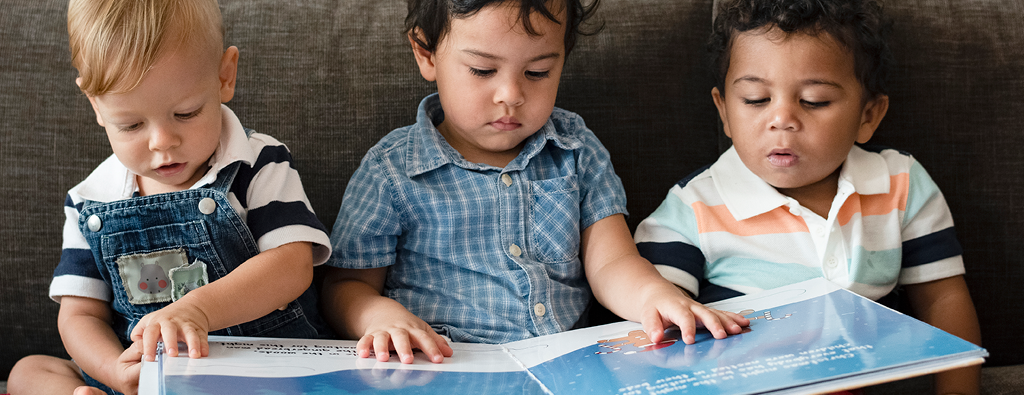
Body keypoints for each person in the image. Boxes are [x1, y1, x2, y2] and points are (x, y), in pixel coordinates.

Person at [322, 0, 749, 366]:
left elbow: (612, 263)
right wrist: (378, 317)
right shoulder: (393, 170)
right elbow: (348, 284)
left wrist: (655, 296)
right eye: (482, 70)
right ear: (426, 53)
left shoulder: (576, 150)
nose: (511, 94)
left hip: (567, 366)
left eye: (539, 72)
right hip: (445, 368)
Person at [634, 0, 981, 394]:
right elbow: (655, 321)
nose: (781, 118)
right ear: (725, 112)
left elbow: (944, 300)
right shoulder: (692, 207)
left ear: (868, 116)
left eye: (814, 101)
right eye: (755, 100)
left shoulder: (899, 182)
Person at [7, 0, 332, 394]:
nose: (163, 142)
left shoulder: (256, 162)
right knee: (30, 371)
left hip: (259, 368)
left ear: (224, 76)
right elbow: (80, 314)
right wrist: (112, 370)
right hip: (147, 377)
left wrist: (198, 309)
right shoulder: (90, 201)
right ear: (95, 105)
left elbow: (292, 265)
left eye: (186, 113)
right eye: (130, 124)